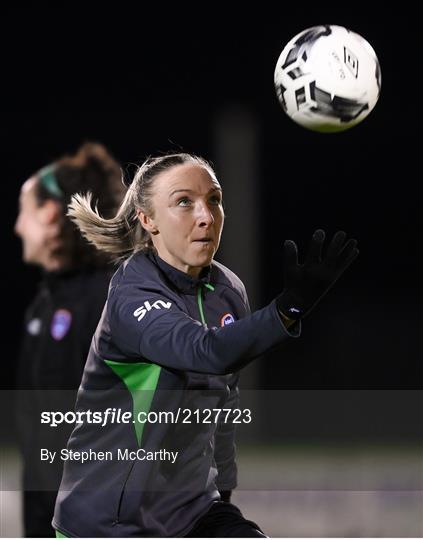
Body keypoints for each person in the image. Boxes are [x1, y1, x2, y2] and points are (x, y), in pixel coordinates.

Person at [52, 152, 358, 537]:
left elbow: (224, 399)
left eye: (214, 199)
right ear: (148, 220)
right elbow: (206, 352)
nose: (206, 216)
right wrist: (286, 310)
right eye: (184, 202)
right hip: (108, 519)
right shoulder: (132, 292)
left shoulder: (228, 291)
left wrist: (224, 493)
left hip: (191, 511)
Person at [14, 142, 126, 537]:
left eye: (22, 213)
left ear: (47, 215)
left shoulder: (110, 304)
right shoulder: (47, 302)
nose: (17, 227)